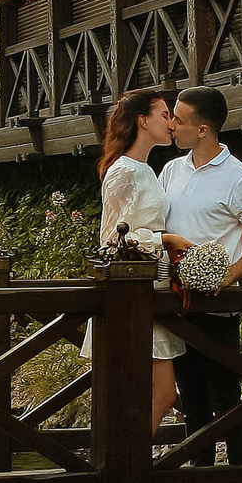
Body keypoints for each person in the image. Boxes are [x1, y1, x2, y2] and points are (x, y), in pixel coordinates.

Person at [154, 85, 242, 483]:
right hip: (177, 305)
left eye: (179, 120)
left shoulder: (239, 178)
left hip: (216, 307)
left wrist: (226, 278)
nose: (172, 125)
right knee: (194, 400)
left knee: (228, 401)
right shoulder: (169, 171)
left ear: (202, 129)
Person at [80, 87, 185, 441]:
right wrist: (165, 240)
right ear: (143, 121)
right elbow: (112, 241)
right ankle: (128, 472)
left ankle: (127, 471)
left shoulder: (145, 169)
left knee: (157, 393)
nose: (172, 123)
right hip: (131, 289)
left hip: (151, 287)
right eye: (164, 115)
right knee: (158, 393)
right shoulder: (124, 171)